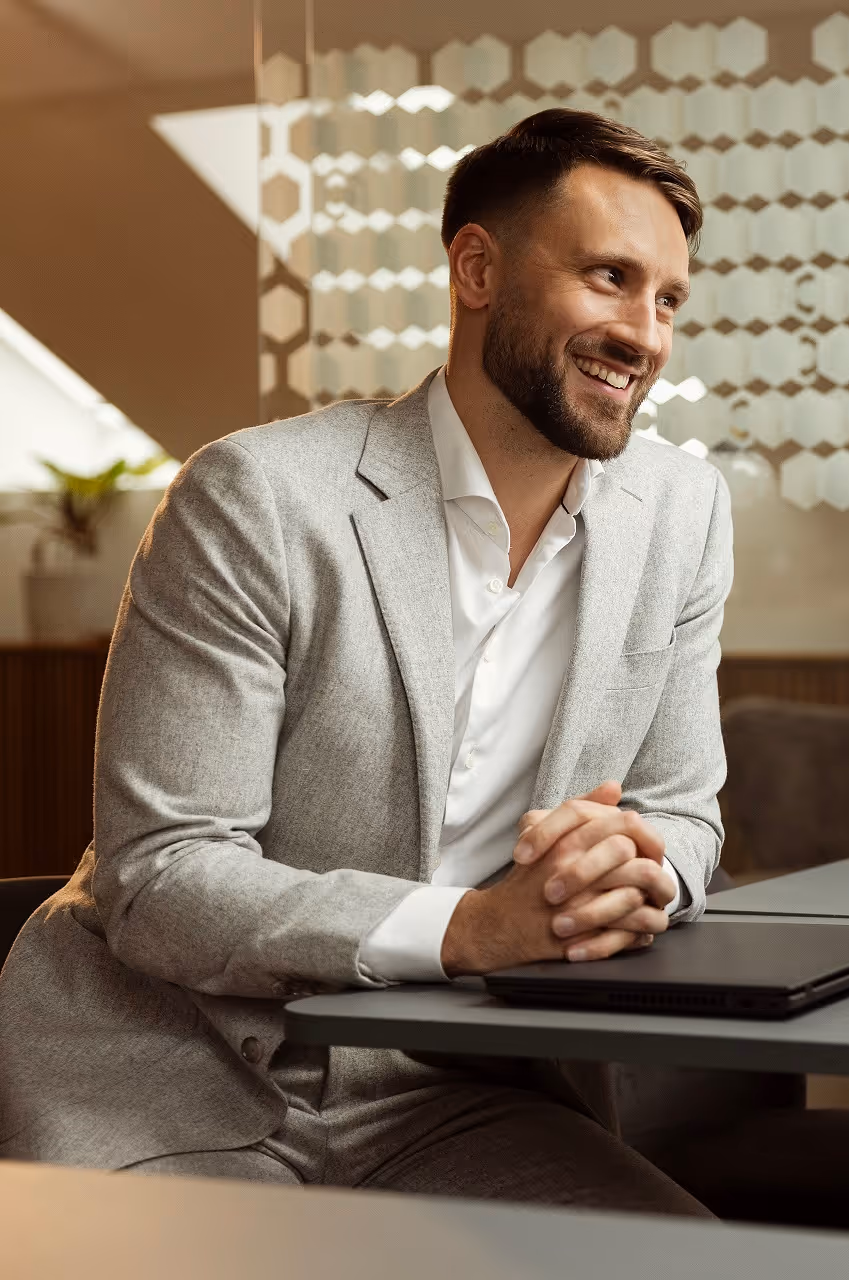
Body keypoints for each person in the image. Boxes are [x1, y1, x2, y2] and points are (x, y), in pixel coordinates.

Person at [0, 109, 726, 1213]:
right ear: (477, 268)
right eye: (608, 277)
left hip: (464, 1091)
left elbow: (687, 811)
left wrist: (630, 867)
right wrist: (474, 927)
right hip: (173, 1075)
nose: (646, 332)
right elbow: (163, 874)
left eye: (667, 298)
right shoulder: (257, 497)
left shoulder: (682, 510)